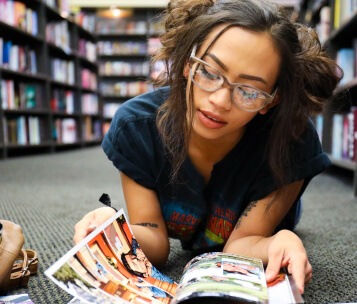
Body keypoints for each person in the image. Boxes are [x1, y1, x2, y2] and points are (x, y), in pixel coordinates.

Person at [74, 0, 341, 295]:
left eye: (249, 91)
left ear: (272, 100)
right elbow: (154, 240)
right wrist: (113, 230)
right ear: (188, 63)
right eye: (210, 73)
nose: (220, 101)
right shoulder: (137, 128)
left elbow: (240, 246)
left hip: (257, 217)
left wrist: (281, 240)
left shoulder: (293, 142)